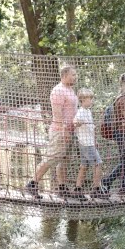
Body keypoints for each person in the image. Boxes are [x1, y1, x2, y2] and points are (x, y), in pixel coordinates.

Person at [25, 65, 78, 199]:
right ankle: (32, 184)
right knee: (51, 158)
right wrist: (64, 131)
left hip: (70, 131)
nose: (75, 77)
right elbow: (57, 113)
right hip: (60, 131)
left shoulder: (70, 89)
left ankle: (62, 188)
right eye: (73, 74)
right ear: (65, 75)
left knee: (64, 160)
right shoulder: (58, 90)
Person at [72, 88, 108, 199]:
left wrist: (95, 141)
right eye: (90, 99)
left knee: (84, 166)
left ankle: (77, 189)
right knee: (98, 164)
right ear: (82, 100)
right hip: (86, 144)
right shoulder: (81, 111)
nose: (92, 101)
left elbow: (90, 128)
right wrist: (77, 123)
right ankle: (96, 189)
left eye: (92, 98)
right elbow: (75, 121)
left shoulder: (88, 111)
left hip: (88, 143)